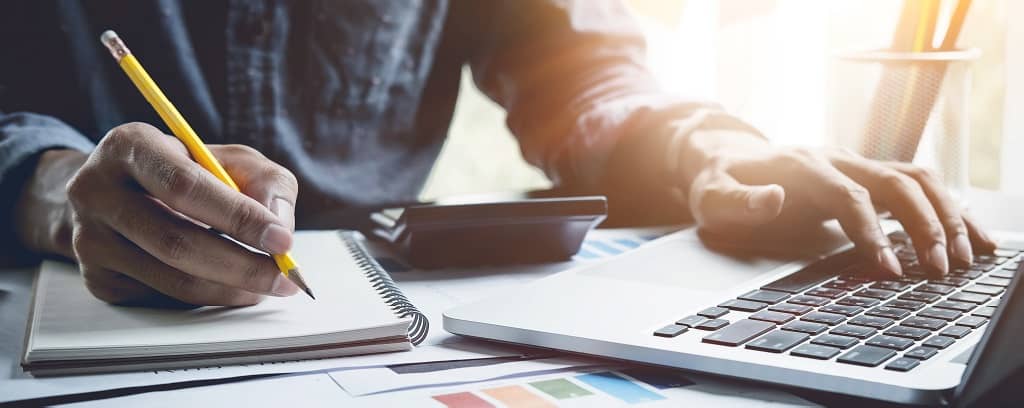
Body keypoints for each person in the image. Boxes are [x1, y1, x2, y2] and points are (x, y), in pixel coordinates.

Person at [1, 1, 996, 307]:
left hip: (368, 326)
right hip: (55, 308)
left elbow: (577, 70)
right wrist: (51, 191)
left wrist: (711, 151)